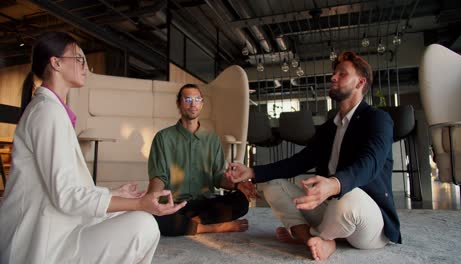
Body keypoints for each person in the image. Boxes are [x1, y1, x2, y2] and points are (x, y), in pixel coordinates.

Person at [0, 31, 186, 264]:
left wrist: (114, 194)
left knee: (130, 214)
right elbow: (66, 196)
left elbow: (66, 187)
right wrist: (139, 203)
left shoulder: (51, 110)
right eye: (78, 58)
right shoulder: (47, 113)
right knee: (143, 223)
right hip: (42, 246)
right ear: (56, 63)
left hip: (57, 229)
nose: (85, 65)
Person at [226, 51, 401, 260]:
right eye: (334, 73)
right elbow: (300, 161)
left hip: (366, 219)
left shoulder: (378, 119)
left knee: (346, 200)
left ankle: (313, 237)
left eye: (342, 74)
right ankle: (315, 238)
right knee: (271, 185)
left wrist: (333, 184)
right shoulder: (329, 128)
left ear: (360, 83)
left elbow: (370, 162)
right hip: (331, 208)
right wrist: (252, 171)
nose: (333, 77)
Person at [147, 83, 256, 236]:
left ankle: (191, 224)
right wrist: (149, 201)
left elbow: (218, 178)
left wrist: (239, 185)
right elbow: (159, 176)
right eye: (188, 99)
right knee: (150, 218)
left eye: (197, 99)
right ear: (179, 103)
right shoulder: (163, 138)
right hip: (175, 205)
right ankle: (214, 227)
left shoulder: (212, 139)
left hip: (205, 204)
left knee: (241, 202)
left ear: (202, 103)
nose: (193, 104)